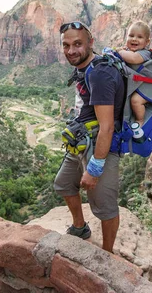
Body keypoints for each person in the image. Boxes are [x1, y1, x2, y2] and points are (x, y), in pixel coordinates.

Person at [54, 21, 125, 253]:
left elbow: (106, 128)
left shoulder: (100, 74)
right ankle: (80, 227)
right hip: (81, 139)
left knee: (104, 207)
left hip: (99, 145)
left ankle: (107, 254)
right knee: (64, 183)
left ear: (91, 43)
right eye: (66, 45)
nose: (71, 50)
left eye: (77, 44)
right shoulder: (85, 67)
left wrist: (94, 169)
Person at [114, 21, 152, 136]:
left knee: (135, 101)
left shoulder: (145, 53)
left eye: (139, 37)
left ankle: (140, 119)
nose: (134, 39)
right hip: (137, 84)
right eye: (131, 36)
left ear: (147, 42)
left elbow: (133, 59)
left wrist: (120, 51)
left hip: (149, 87)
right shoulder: (129, 51)